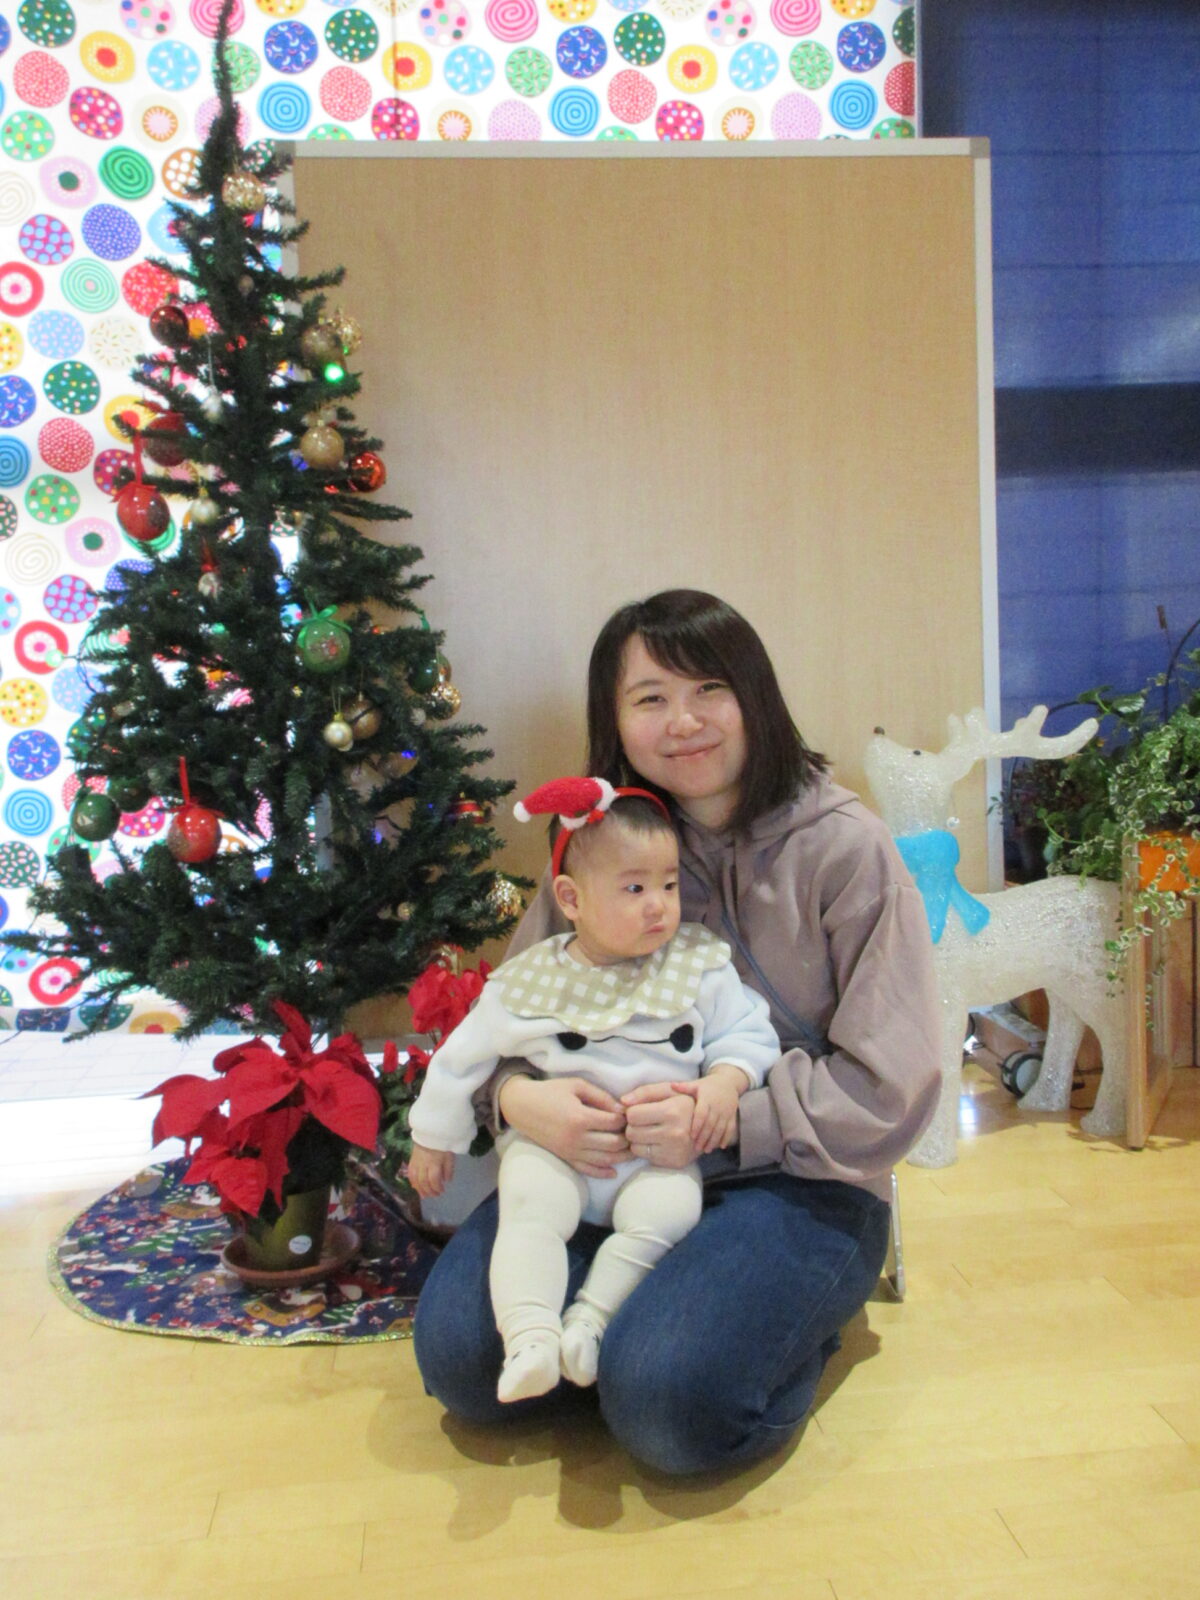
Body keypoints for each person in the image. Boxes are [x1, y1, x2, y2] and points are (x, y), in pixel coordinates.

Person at [413, 589, 940, 1475]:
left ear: (754, 698)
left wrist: (728, 1119)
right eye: (650, 698)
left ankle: (741, 1341)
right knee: (464, 1364)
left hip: (796, 1180)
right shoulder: (597, 847)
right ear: (615, 722)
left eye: (709, 690)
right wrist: (517, 1101)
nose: (683, 722)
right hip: (594, 1167)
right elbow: (507, 1018)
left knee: (667, 1406)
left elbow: (893, 1087)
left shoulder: (846, 850)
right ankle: (638, 1343)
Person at [407, 776, 780, 1404]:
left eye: (668, 885)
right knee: (529, 1209)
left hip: (654, 1160)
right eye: (634, 889)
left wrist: (726, 1081)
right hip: (556, 1153)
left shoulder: (697, 967)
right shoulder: (532, 980)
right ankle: (529, 1336)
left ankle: (590, 1323)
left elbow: (748, 1032)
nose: (659, 906)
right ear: (571, 898)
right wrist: (432, 1138)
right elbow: (460, 1061)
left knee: (671, 1214)